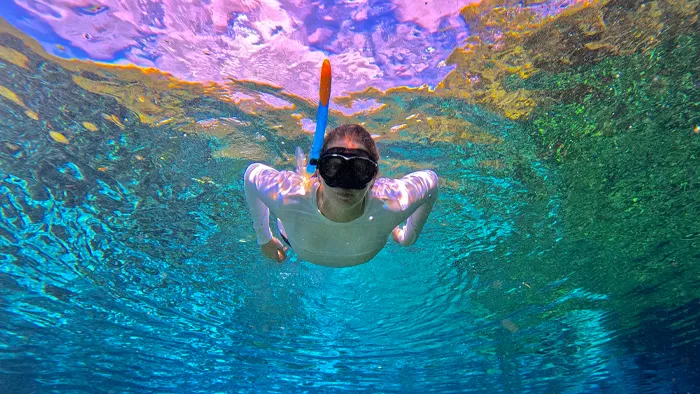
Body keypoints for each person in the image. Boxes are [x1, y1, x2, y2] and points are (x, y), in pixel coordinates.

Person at [243, 124, 438, 267]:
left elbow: (431, 181)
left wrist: (409, 237)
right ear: (320, 171)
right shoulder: (291, 198)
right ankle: (307, 173)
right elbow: (252, 175)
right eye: (334, 167)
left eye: (360, 170)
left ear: (373, 177)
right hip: (291, 236)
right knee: (302, 180)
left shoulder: (391, 204)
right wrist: (264, 238)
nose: (345, 183)